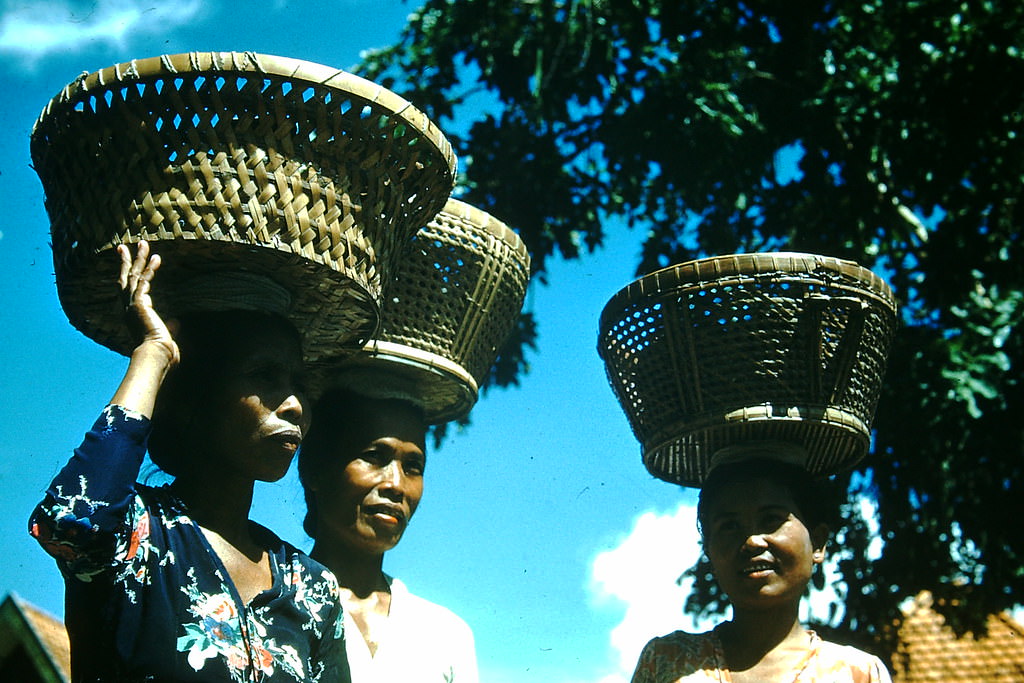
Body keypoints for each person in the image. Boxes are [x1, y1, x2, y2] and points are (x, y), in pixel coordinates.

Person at [29, 241, 350, 682]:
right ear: (193, 395)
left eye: (299, 383)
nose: (295, 405)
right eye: (264, 377)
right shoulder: (136, 533)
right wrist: (153, 353)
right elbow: (69, 521)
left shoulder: (312, 589)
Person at [631, 455, 892, 683]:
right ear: (708, 551)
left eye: (771, 520)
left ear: (818, 543)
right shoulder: (667, 662)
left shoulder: (858, 674)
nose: (752, 541)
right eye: (730, 526)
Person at [298, 387, 480, 682]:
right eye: (374, 456)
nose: (396, 485)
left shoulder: (446, 634)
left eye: (413, 467)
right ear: (315, 469)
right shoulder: (275, 606)